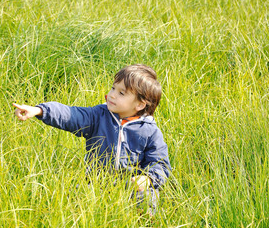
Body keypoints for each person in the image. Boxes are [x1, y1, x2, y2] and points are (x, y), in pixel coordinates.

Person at [13, 64, 172, 215]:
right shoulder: (98, 116)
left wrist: (148, 178)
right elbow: (71, 115)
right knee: (74, 199)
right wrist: (39, 110)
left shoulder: (150, 132)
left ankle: (145, 220)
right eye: (113, 88)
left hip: (132, 186)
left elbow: (161, 163)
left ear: (139, 105)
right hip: (96, 183)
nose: (112, 94)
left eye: (121, 93)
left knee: (146, 198)